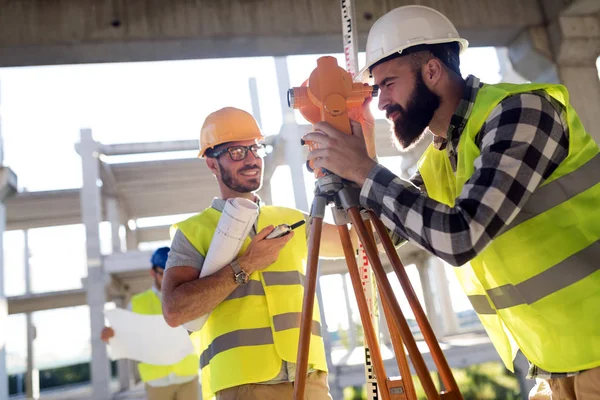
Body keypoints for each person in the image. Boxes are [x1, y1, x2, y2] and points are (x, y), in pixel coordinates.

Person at [300, 5, 600, 400]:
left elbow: (462, 235)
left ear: (432, 71)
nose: (381, 100)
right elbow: (371, 239)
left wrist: (365, 170)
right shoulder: (440, 161)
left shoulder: (522, 112)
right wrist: (342, 182)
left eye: (388, 82)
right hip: (555, 364)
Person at [161, 107, 353, 400]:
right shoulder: (194, 232)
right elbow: (175, 311)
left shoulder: (291, 218)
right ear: (212, 164)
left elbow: (360, 243)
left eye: (255, 148)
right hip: (245, 386)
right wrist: (247, 264)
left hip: (309, 377)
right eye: (237, 152)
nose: (251, 159)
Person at [101, 247, 200, 400]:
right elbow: (124, 337)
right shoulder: (137, 303)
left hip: (187, 374)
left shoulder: (187, 296)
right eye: (163, 274)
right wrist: (111, 337)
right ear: (152, 272)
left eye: (171, 274)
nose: (168, 279)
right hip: (157, 380)